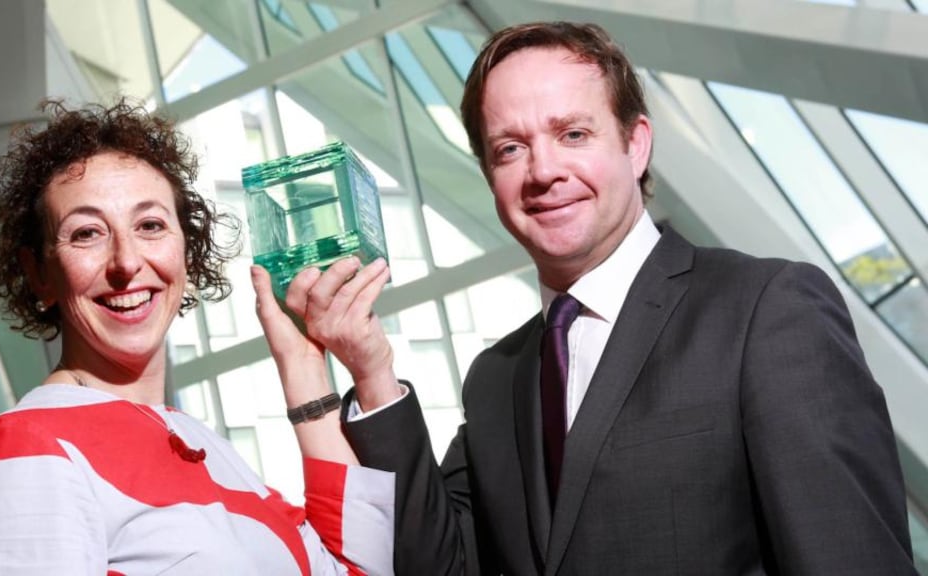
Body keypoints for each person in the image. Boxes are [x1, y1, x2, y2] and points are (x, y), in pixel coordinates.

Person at [264, 21, 918, 575]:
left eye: (573, 134)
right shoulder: (497, 380)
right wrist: (372, 375)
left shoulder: (766, 310)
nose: (543, 171)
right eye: (511, 148)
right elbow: (444, 565)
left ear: (636, 144)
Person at [0, 99, 395, 575]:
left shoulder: (203, 444)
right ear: (38, 273)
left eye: (150, 225)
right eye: (86, 234)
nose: (126, 261)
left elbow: (353, 570)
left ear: (186, 248)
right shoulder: (22, 448)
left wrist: (303, 362)